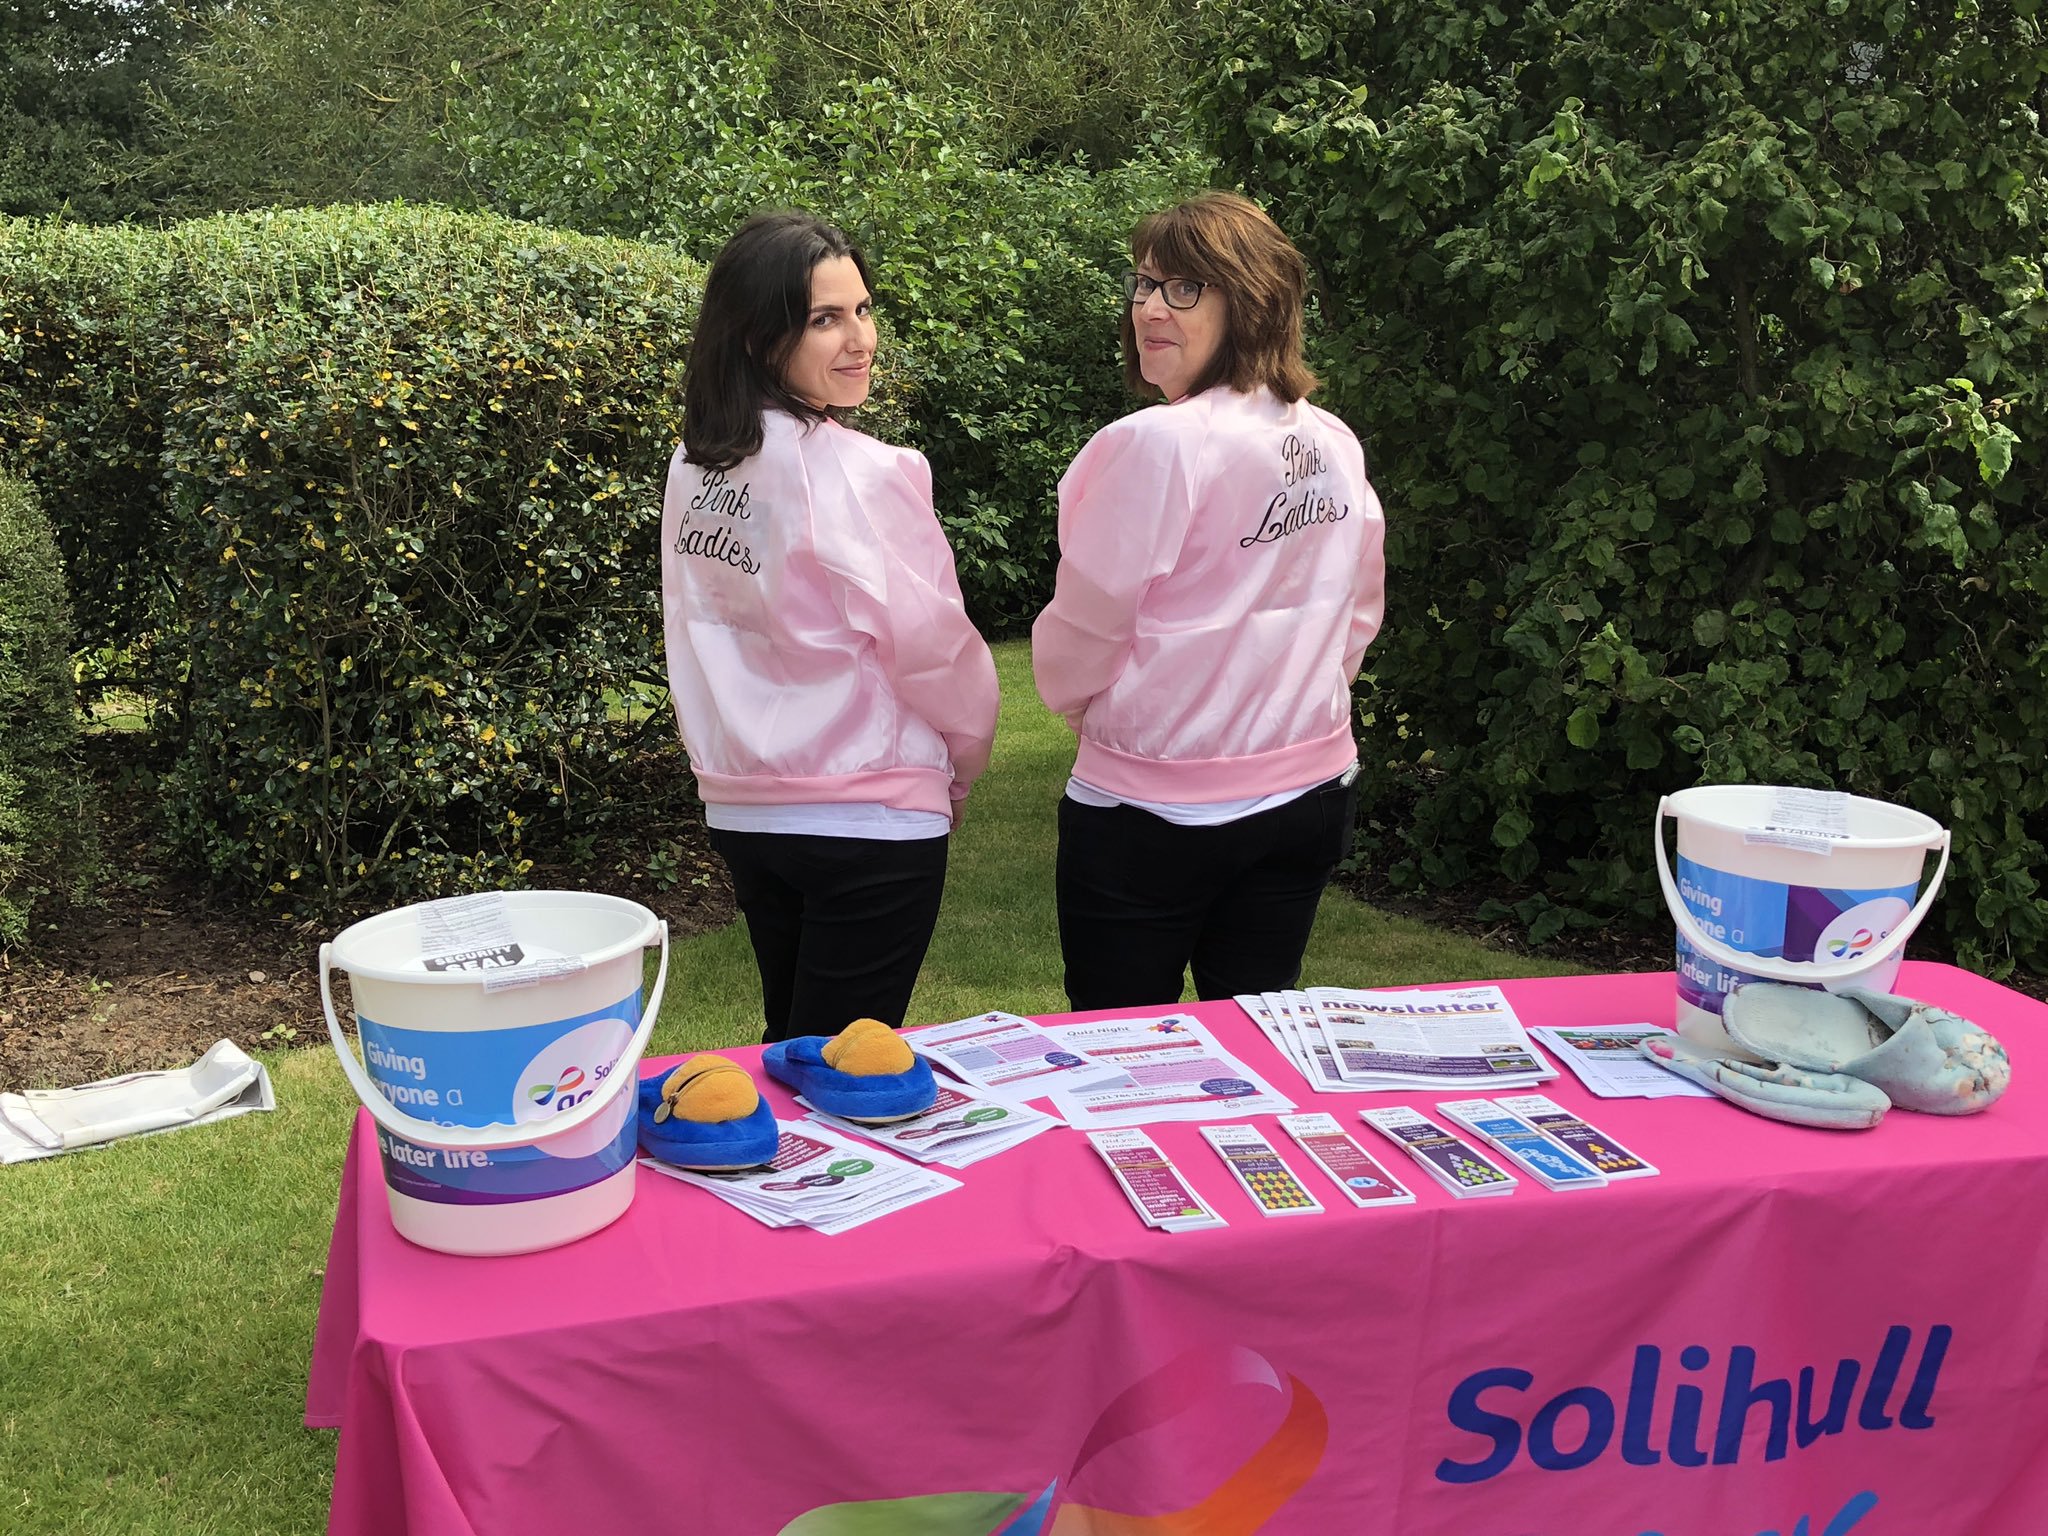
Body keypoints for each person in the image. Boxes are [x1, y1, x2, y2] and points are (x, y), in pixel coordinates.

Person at [1031, 191, 1386, 1010]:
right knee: (1259, 1039)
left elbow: (1086, 628)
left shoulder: (1155, 446)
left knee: (1121, 1052)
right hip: (1309, 788)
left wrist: (1087, 712)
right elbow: (1357, 616)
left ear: (1251, 300)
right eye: (1145, 284)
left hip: (1151, 808)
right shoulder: (1330, 439)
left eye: (1184, 287)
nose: (1151, 307)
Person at [662, 212, 999, 1043]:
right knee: (841, 1074)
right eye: (824, 319)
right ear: (755, 336)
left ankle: (752, 1165)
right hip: (866, 815)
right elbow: (935, 649)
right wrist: (962, 763)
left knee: (793, 1046)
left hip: (747, 808)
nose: (860, 340)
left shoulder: (696, 467)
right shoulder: (863, 472)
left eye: (863, 309)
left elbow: (702, 627)